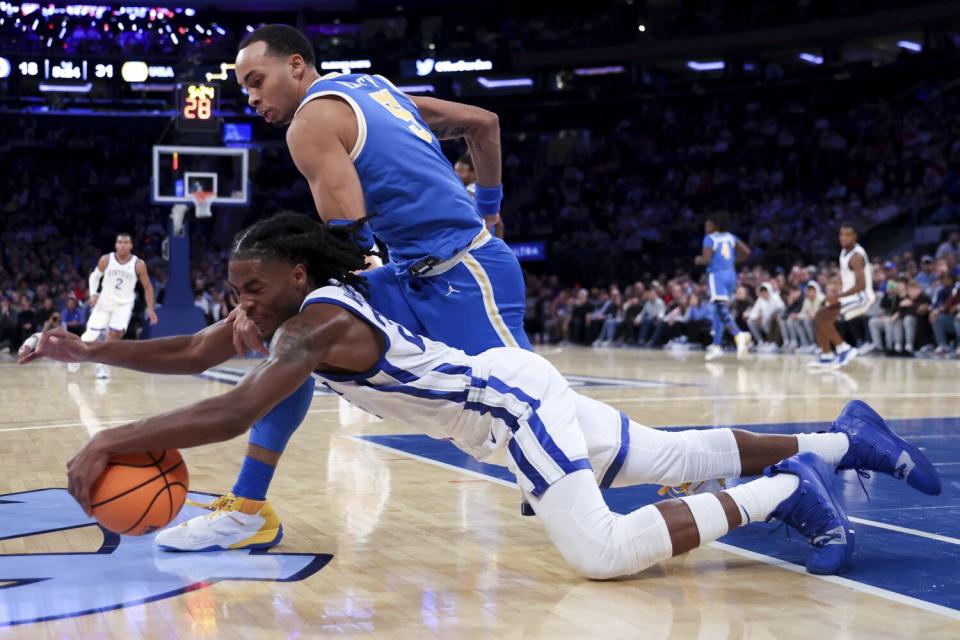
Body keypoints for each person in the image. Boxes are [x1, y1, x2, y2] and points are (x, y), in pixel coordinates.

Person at [21, 213, 941, 579]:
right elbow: (193, 352)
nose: (241, 305)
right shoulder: (292, 315)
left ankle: (788, 492)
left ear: (298, 275)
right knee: (671, 457)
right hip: (505, 399)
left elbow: (228, 412)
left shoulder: (318, 324)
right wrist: (80, 348)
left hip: (509, 411)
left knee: (604, 554)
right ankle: (841, 437)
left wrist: (108, 443)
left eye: (253, 288)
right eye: (238, 290)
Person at [168, 23, 571, 552]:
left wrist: (270, 294)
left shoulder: (309, 122)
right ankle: (246, 509)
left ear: (296, 65)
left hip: (465, 272)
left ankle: (685, 465)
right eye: (244, 87)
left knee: (547, 417)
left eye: (256, 80)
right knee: (298, 338)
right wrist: (491, 206)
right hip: (410, 274)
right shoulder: (375, 88)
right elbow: (483, 123)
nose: (251, 97)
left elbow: (350, 239)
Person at [76, 233, 158, 379]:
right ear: (116, 245)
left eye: (126, 242)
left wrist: (150, 308)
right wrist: (93, 294)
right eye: (120, 242)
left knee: (114, 335)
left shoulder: (138, 264)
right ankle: (75, 355)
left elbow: (148, 287)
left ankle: (101, 365)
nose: (122, 245)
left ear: (131, 246)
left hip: (124, 305)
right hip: (105, 302)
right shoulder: (106, 259)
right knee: (91, 335)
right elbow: (94, 277)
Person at [809, 224, 875, 368]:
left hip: (861, 297)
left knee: (825, 318)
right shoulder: (844, 252)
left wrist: (839, 295)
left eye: (847, 235)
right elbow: (846, 277)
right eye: (841, 234)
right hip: (849, 296)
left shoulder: (856, 256)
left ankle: (844, 349)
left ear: (855, 237)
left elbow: (861, 285)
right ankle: (826, 355)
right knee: (820, 316)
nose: (843, 238)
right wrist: (836, 287)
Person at [694, 213, 752, 361]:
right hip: (731, 275)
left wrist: (698, 260)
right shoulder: (730, 237)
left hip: (717, 275)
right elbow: (746, 252)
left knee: (719, 307)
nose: (706, 228)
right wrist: (733, 261)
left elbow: (707, 260)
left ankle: (738, 334)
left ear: (714, 225)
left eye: (708, 225)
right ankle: (717, 345)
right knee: (717, 309)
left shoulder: (709, 239)